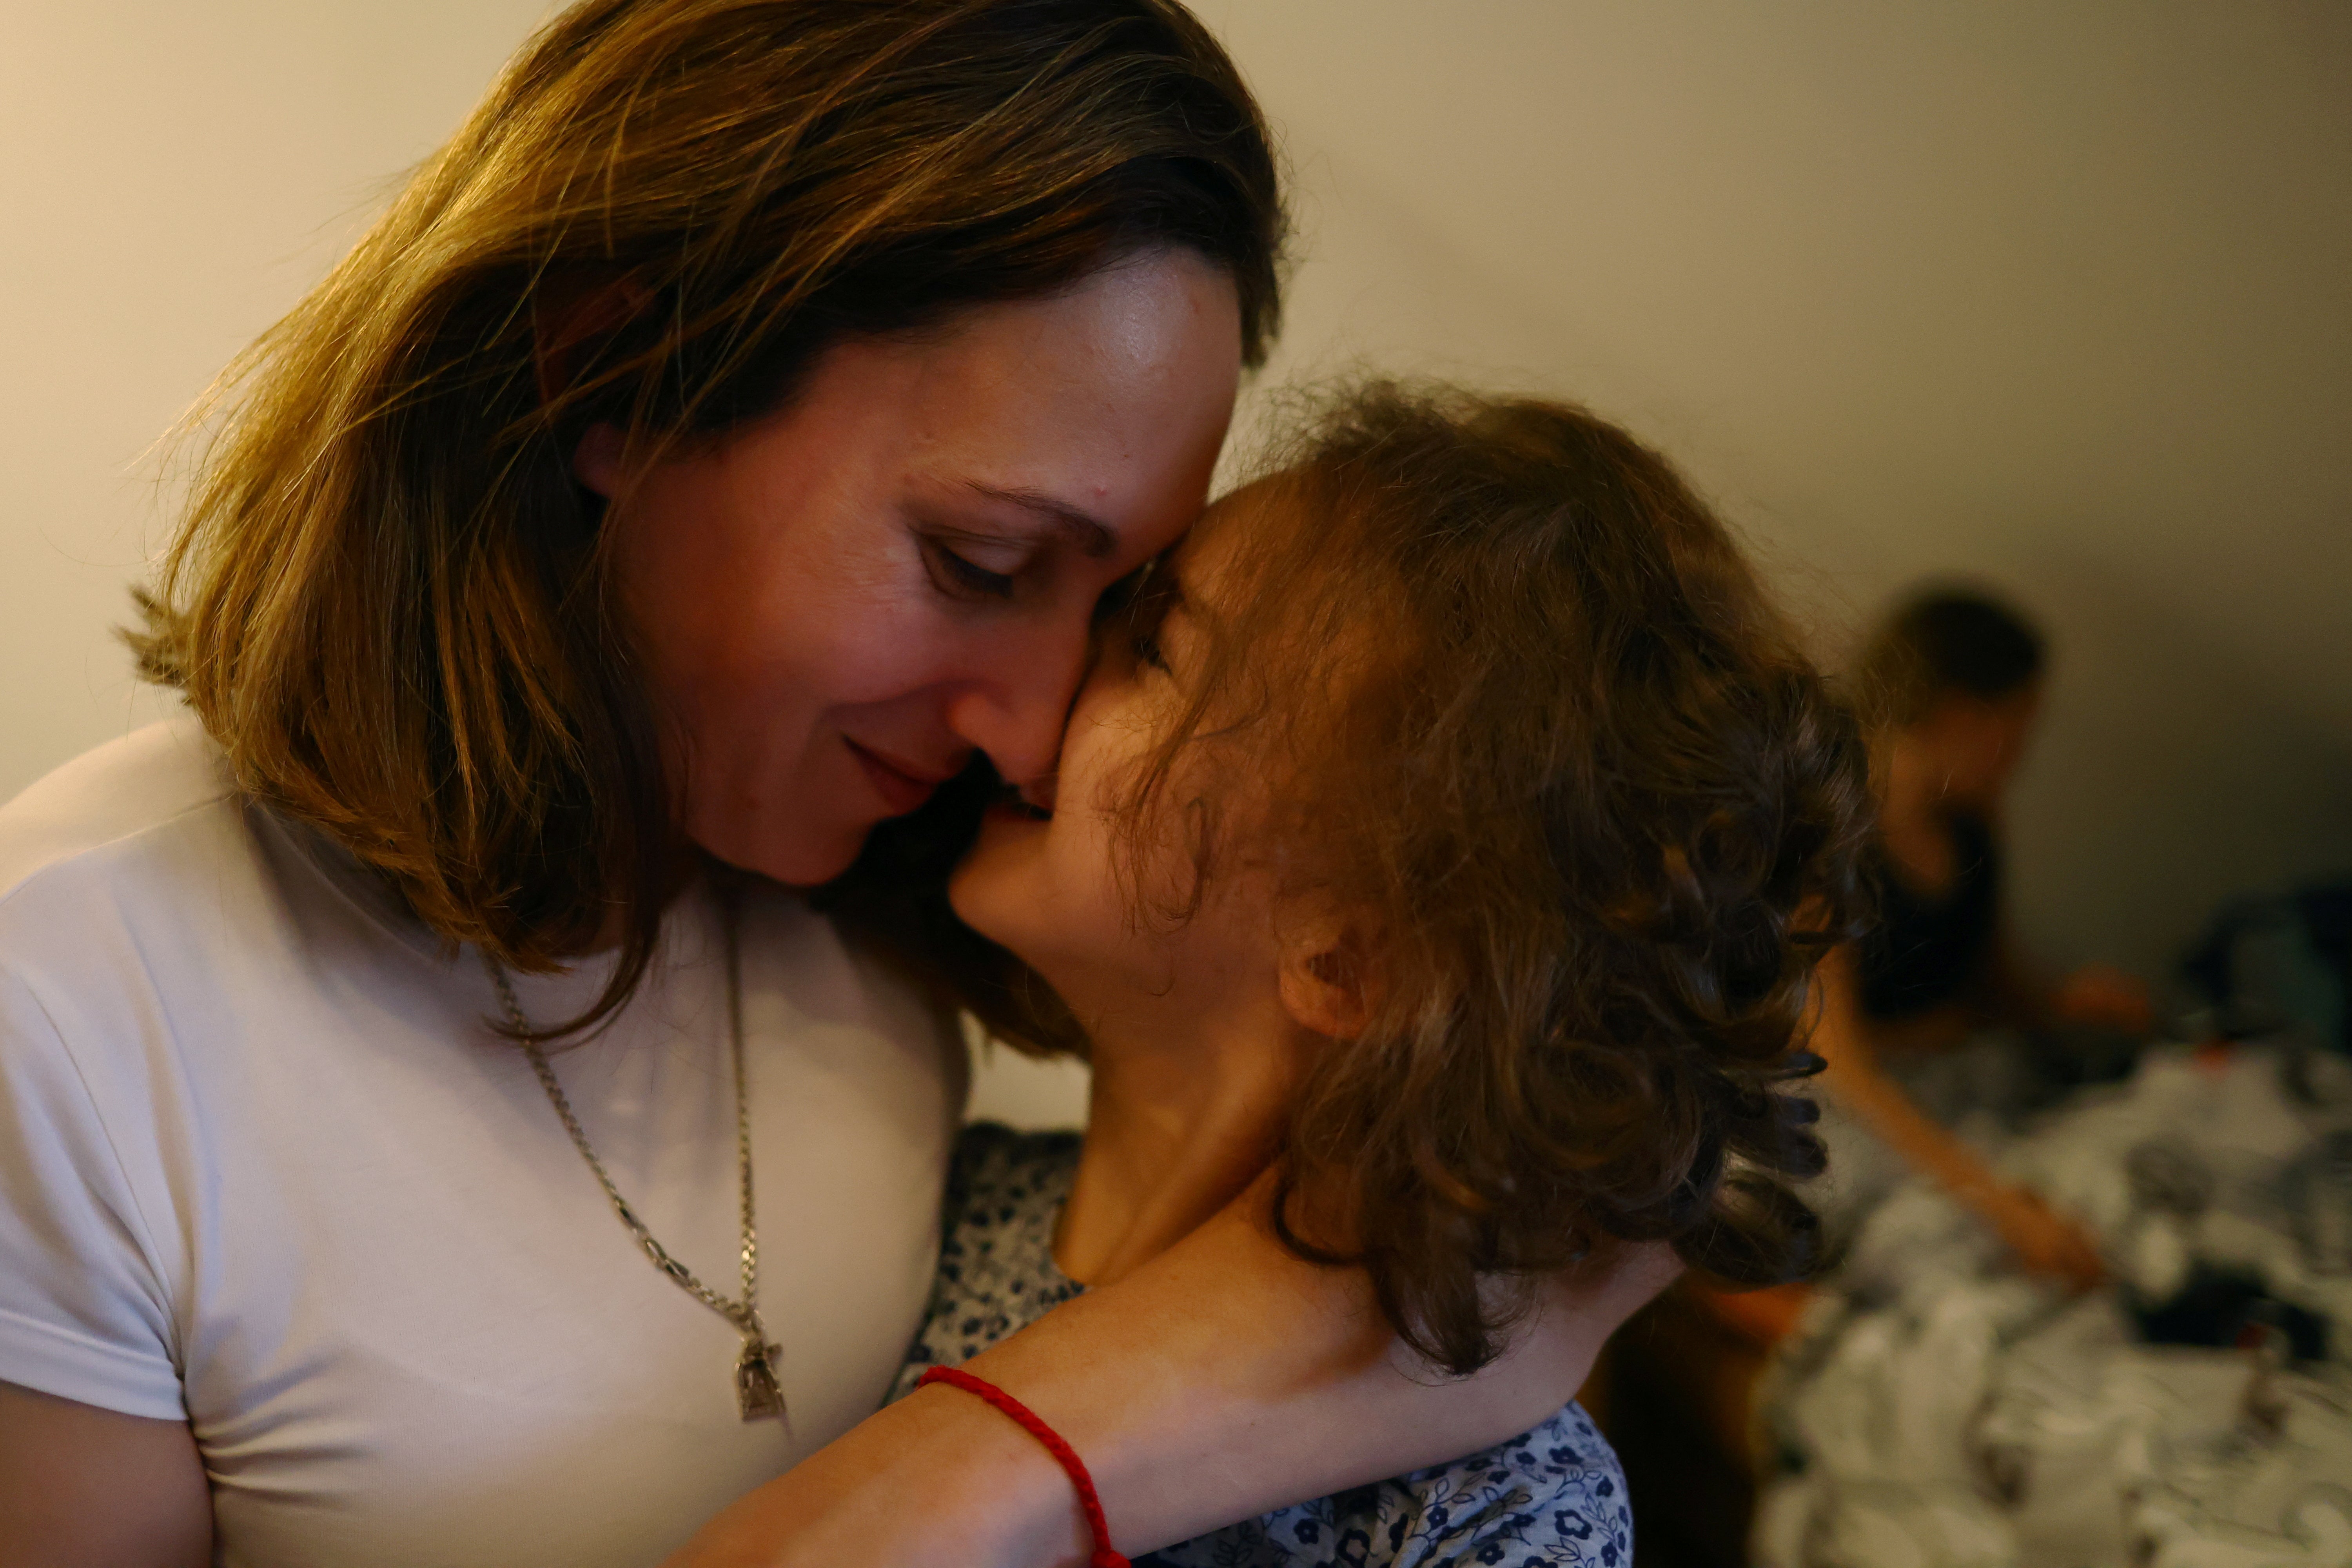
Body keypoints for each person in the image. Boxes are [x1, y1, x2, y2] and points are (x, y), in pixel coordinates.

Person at [0, 5, 1672, 1566]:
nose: (1033, 731)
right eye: (981, 556)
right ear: (611, 380)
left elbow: (1627, 1147)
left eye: (1121, 613)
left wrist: (1059, 1429)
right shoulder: (78, 1001)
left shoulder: (887, 924)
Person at [752, 387, 1871, 1565]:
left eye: (1155, 649)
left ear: (1346, 956)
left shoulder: (1498, 1514)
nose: (1051, 685)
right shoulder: (926, 1195)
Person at [1808, 588, 2153, 1289]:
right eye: (2019, 723)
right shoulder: (1829, 841)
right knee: (1918, 1217)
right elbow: (1842, 1066)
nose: (2025, 747)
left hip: (1952, 1067)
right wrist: (1996, 1206)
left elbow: (1993, 983)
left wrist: (2071, 1000)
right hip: (1851, 1104)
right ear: (1960, 715)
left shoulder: (1975, 819)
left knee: (2113, 1108)